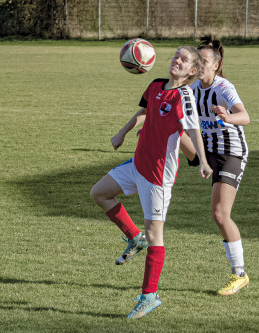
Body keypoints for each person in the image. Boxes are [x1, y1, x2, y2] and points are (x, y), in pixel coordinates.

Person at [90, 46, 212, 319]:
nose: (177, 60)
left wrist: (203, 161)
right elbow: (143, 112)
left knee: (156, 236)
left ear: (192, 71)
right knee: (99, 193)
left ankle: (150, 296)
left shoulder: (184, 96)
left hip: (157, 176)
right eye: (176, 56)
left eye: (184, 59)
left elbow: (193, 129)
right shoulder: (156, 85)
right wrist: (122, 132)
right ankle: (134, 238)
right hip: (137, 165)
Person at [180, 35, 251, 296]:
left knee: (220, 215)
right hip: (206, 151)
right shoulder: (191, 88)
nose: (199, 65)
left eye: (204, 61)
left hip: (230, 153)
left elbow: (245, 116)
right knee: (173, 131)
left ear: (216, 66)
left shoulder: (223, 88)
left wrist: (228, 116)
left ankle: (240, 274)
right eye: (196, 60)